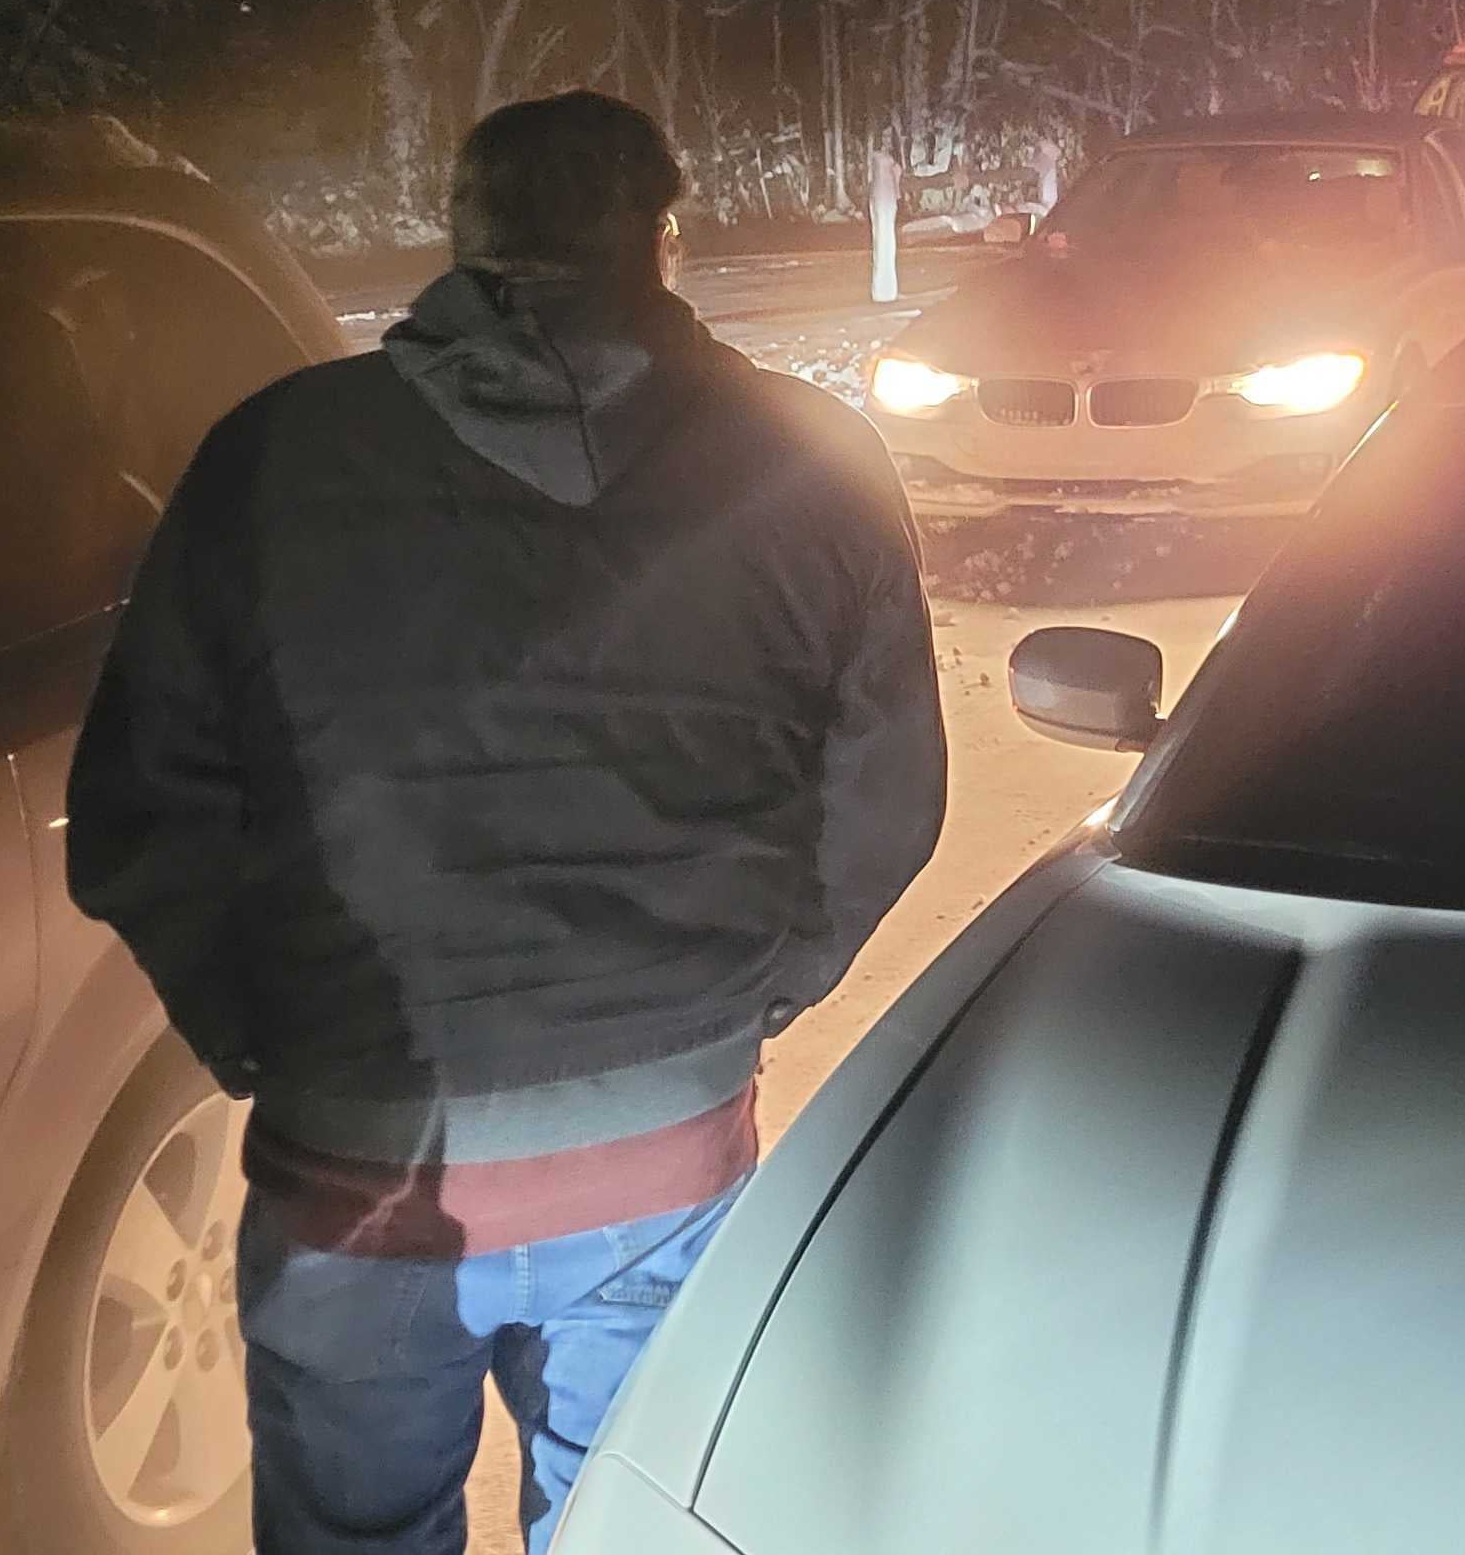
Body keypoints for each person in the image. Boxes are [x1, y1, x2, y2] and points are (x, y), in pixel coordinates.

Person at [68, 92, 945, 1554]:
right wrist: (748, 995)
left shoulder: (271, 458)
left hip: (360, 1166)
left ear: (462, 243)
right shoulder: (815, 462)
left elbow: (143, 804)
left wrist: (258, 1036)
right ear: (663, 240)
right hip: (666, 1146)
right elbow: (884, 798)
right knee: (633, 1522)